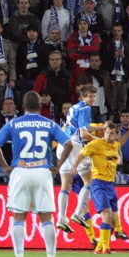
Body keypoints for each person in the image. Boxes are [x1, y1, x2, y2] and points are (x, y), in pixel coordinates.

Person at [0, 91, 74, 257]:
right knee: (46, 217)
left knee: (19, 216)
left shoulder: (14, 123)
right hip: (43, 171)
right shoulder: (49, 124)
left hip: (21, 171)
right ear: (40, 106)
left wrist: (5, 167)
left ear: (23, 107)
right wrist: (58, 166)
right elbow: (68, 144)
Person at [78, 121, 129, 253]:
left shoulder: (115, 146)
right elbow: (81, 154)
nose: (107, 135)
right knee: (106, 215)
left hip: (110, 184)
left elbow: (121, 142)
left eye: (111, 133)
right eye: (106, 132)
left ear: (116, 135)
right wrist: (73, 167)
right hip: (98, 183)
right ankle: (105, 247)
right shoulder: (96, 144)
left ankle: (100, 246)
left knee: (111, 219)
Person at [57, 85, 96, 233]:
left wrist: (99, 128)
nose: (92, 99)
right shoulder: (86, 109)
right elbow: (83, 133)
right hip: (75, 145)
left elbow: (81, 127)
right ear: (83, 97)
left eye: (94, 96)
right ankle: (79, 213)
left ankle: (61, 218)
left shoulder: (74, 108)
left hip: (63, 145)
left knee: (65, 185)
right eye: (90, 96)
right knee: (89, 180)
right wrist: (99, 141)